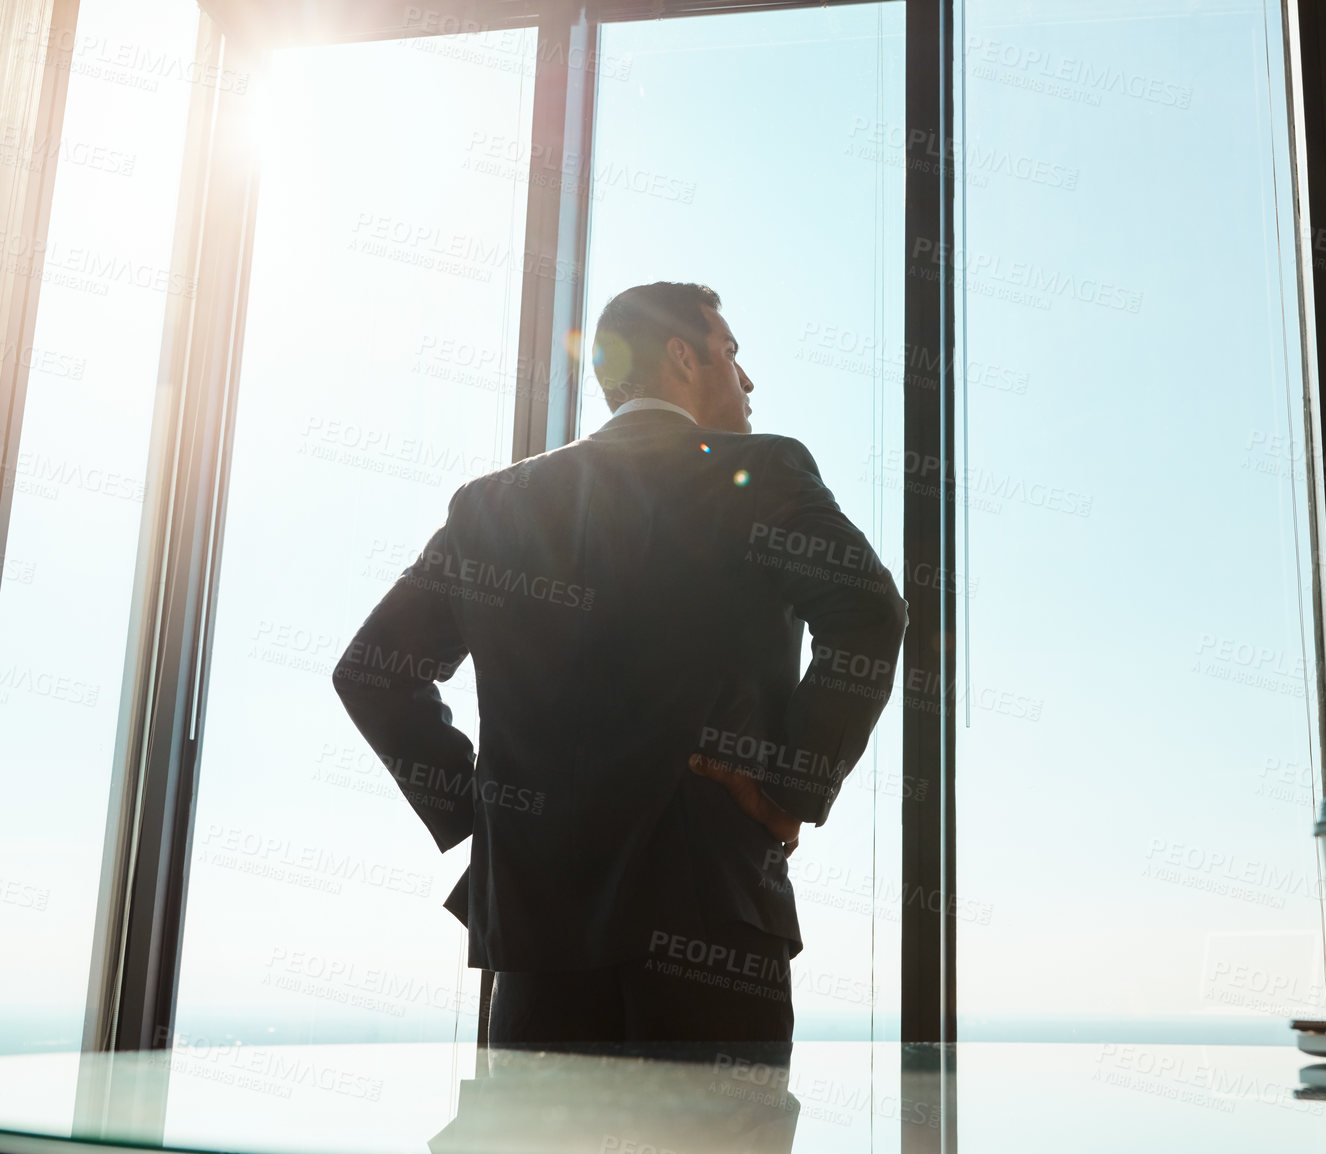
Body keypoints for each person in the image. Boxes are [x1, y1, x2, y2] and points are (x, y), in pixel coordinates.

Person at [332, 281, 906, 1051]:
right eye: (731, 353)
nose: (747, 380)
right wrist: (788, 788)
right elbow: (869, 613)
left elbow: (372, 670)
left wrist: (486, 812)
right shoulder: (765, 471)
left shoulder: (490, 506)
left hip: (534, 942)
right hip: (713, 935)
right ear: (680, 356)